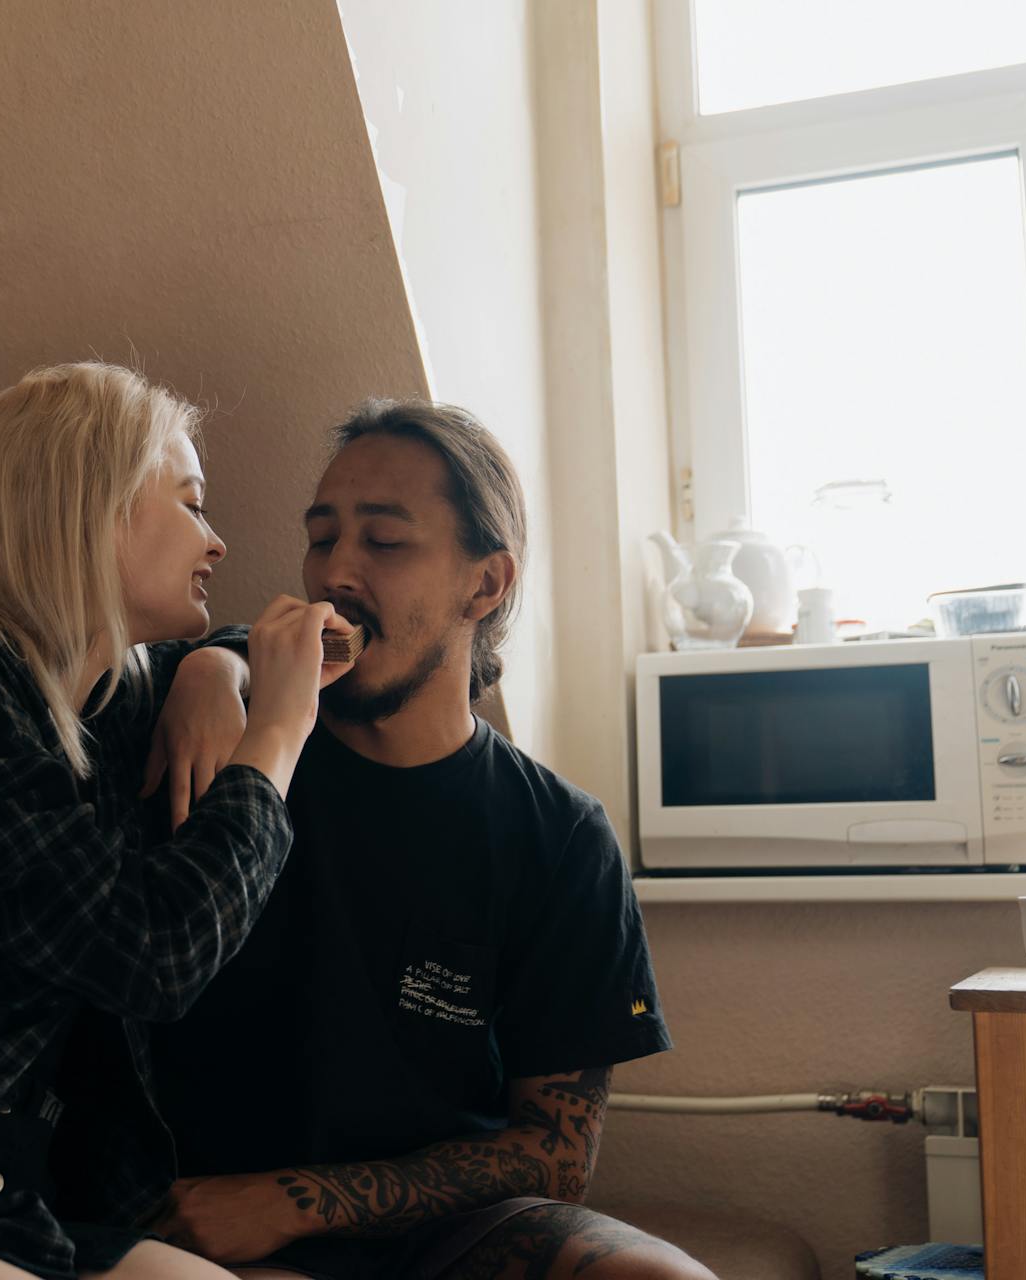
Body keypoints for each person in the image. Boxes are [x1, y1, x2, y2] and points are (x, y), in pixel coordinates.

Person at [141, 400, 712, 1280]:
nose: (337, 571)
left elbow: (557, 1153)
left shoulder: (561, 835)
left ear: (484, 585)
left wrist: (297, 1198)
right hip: (220, 1228)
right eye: (322, 537)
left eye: (385, 541)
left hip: (451, 1232)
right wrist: (212, 664)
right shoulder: (242, 749)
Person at [0, 362, 357, 1280]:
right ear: (100, 506)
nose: (219, 542)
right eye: (191, 504)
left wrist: (211, 672)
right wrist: (276, 732)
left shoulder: (101, 692)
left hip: (3, 1203)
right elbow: (155, 948)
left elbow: (220, 642)